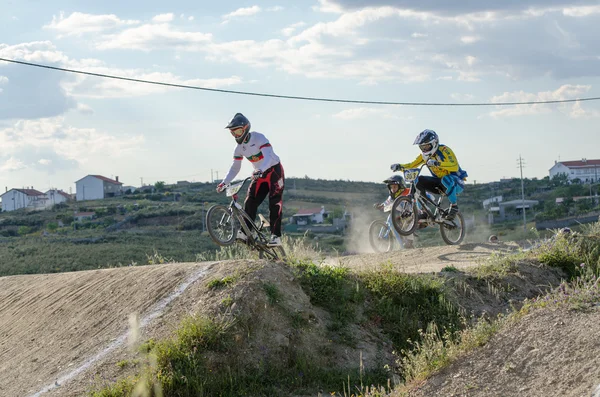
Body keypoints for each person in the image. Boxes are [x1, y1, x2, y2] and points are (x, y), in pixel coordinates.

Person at [216, 113, 285, 247]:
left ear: (246, 128)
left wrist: (260, 169)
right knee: (250, 201)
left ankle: (276, 236)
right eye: (233, 133)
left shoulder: (259, 138)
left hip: (273, 171)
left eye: (238, 131)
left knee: (275, 202)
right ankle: (245, 232)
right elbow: (235, 168)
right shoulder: (238, 149)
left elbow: (268, 157)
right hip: (259, 174)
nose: (236, 135)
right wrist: (224, 182)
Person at [390, 129, 468, 221]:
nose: (424, 149)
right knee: (418, 180)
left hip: (457, 182)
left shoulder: (444, 150)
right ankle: (424, 211)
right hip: (439, 183)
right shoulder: (425, 156)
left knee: (446, 179)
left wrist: (438, 163)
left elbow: (454, 166)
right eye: (422, 147)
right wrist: (399, 166)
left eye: (426, 146)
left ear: (434, 143)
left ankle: (454, 206)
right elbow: (412, 165)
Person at [373, 175, 416, 248]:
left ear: (401, 186)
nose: (393, 189)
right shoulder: (392, 196)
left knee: (409, 224)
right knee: (397, 223)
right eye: (391, 187)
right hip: (401, 214)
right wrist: (380, 206)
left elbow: (417, 197)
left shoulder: (408, 191)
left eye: (395, 187)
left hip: (412, 213)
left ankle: (409, 242)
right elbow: (386, 202)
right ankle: (401, 242)